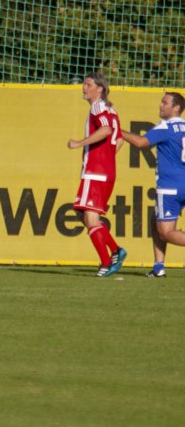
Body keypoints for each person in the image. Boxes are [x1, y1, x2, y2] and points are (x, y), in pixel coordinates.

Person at [67, 73, 127, 277]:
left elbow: (106, 130)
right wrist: (106, 158)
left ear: (99, 89)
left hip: (96, 172)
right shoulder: (111, 109)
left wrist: (80, 143)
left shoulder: (97, 107)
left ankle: (106, 262)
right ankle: (116, 251)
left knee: (91, 219)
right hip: (107, 171)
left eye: (88, 84)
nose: (84, 87)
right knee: (82, 213)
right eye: (84, 84)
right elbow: (119, 140)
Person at [120, 92, 185, 278]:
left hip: (170, 187)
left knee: (166, 233)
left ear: (176, 108)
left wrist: (116, 130)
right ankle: (158, 267)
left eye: (165, 102)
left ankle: (159, 267)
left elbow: (141, 143)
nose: (160, 105)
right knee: (154, 218)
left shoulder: (165, 126)